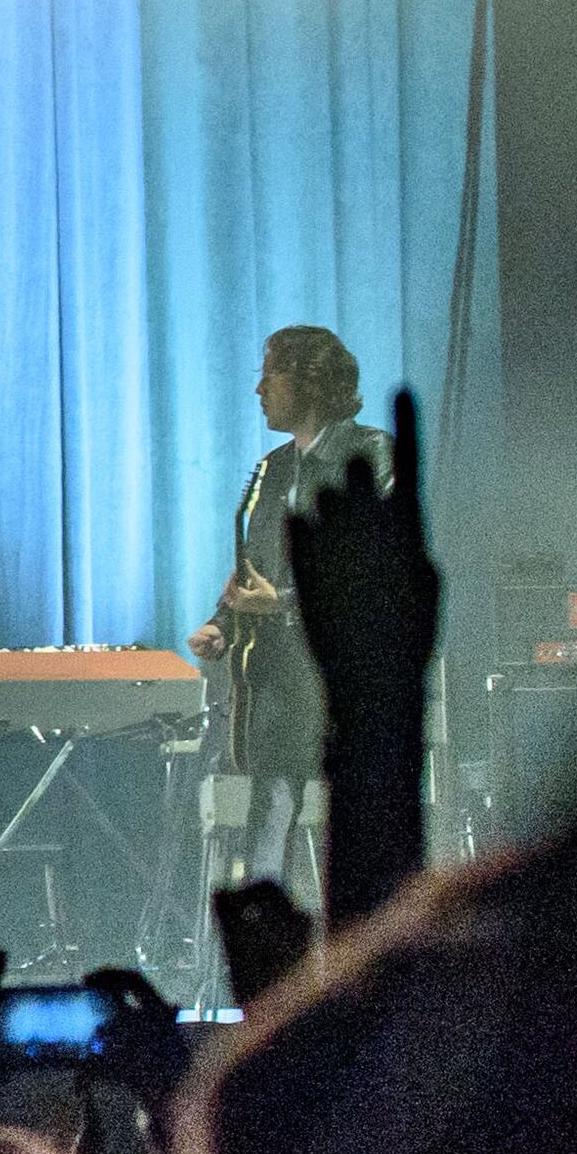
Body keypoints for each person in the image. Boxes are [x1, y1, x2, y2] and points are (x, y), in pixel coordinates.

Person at [188, 322, 386, 898]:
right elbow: (255, 570)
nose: (259, 389)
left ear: (309, 379)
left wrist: (284, 604)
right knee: (269, 809)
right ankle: (269, 961)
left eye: (269, 372)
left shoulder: (370, 455)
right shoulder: (273, 468)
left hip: (341, 683)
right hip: (280, 686)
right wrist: (222, 624)